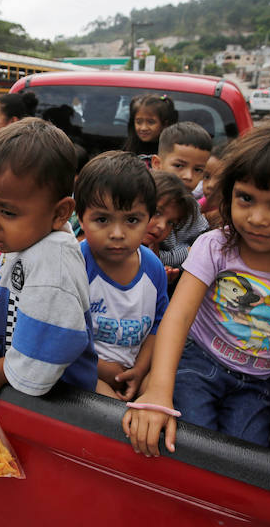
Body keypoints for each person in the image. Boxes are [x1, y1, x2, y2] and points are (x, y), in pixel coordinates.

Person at [123, 120, 270, 507]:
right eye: (246, 198)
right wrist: (159, 390)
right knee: (190, 453)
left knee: (245, 474)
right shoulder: (216, 246)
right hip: (197, 364)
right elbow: (178, 319)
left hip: (261, 384)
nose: (256, 218)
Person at [0, 118, 98, 408]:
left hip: (62, 401)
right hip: (17, 376)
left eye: (7, 212)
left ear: (60, 213)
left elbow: (54, 341)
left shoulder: (53, 265)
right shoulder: (23, 239)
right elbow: (0, 288)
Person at [74, 151, 168, 400]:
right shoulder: (75, 265)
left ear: (148, 219)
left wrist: (139, 370)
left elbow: (159, 325)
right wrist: (103, 369)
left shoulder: (153, 268)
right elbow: (60, 336)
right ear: (81, 218)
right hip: (83, 370)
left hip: (133, 370)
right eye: (102, 219)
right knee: (110, 411)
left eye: (132, 220)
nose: (117, 233)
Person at [150, 123, 212, 269]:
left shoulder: (192, 206)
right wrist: (188, 253)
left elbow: (204, 244)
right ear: (157, 164)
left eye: (198, 170)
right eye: (179, 166)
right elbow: (150, 254)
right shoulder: (143, 198)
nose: (188, 176)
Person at [142, 170, 194, 282]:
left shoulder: (152, 248)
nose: (162, 226)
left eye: (171, 223)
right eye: (157, 213)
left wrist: (161, 278)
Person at [124, 94, 178, 163]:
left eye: (151, 122)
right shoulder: (129, 149)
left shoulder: (171, 152)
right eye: (139, 122)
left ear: (165, 124)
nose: (143, 128)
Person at [198, 141, 229, 229]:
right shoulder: (203, 204)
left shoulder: (232, 216)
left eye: (220, 179)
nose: (210, 185)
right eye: (206, 177)